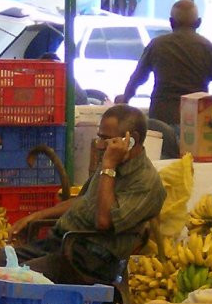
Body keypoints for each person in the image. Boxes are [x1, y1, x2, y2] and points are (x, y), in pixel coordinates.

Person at [12, 104, 164, 285]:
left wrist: (109, 167)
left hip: (90, 260)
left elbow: (103, 221)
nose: (100, 146)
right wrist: (35, 216)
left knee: (11, 279)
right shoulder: (112, 160)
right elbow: (84, 201)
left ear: (132, 140)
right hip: (60, 245)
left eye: (106, 139)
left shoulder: (146, 182)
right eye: (99, 138)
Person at [117, 0, 212, 156]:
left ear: (171, 22)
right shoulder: (211, 50)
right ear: (198, 23)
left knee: (165, 171)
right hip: (195, 124)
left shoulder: (157, 45)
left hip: (161, 120)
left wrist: (124, 101)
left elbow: (137, 79)